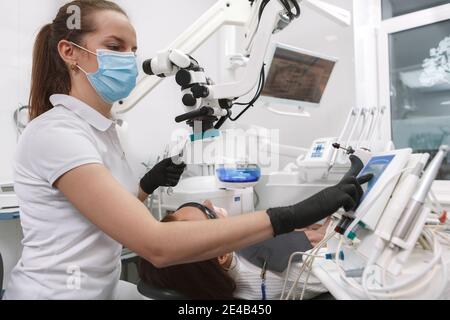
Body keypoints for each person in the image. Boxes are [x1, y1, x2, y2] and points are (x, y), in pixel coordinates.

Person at [4, 0, 371, 300]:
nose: (129, 59)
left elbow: (103, 216)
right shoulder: (56, 134)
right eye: (115, 47)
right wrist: (288, 216)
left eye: (133, 50)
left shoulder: (102, 131)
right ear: (70, 52)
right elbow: (156, 245)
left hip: (101, 289)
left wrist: (146, 185)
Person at [139, 201, 329, 300]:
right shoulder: (284, 266)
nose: (208, 202)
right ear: (221, 255)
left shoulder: (231, 262)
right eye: (208, 213)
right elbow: (336, 248)